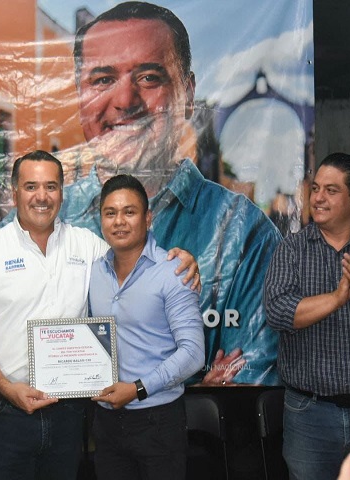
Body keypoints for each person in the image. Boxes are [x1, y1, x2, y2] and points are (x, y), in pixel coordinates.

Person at [58, 1, 282, 385]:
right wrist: (189, 385)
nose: (125, 101)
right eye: (103, 79)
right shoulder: (46, 223)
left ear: (188, 94)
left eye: (149, 78)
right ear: (79, 96)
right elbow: (17, 352)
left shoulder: (245, 233)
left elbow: (248, 379)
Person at [0, 150, 198, 480]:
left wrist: (182, 259)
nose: (42, 196)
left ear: (62, 192)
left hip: (68, 414)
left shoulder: (88, 247)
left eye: (51, 186)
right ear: (14, 192)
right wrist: (8, 389)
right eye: (31, 186)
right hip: (5, 412)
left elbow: (133, 252)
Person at [264, 152, 350, 479]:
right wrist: (336, 298)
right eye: (315, 188)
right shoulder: (292, 249)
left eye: (331, 190)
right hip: (309, 412)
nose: (317, 197)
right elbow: (277, 312)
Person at [89, 174, 204, 479]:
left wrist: (138, 389)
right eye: (110, 213)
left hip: (158, 423)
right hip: (106, 423)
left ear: (148, 218)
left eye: (129, 212)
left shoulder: (174, 272)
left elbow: (194, 354)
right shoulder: (93, 272)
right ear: (101, 220)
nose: (119, 221)